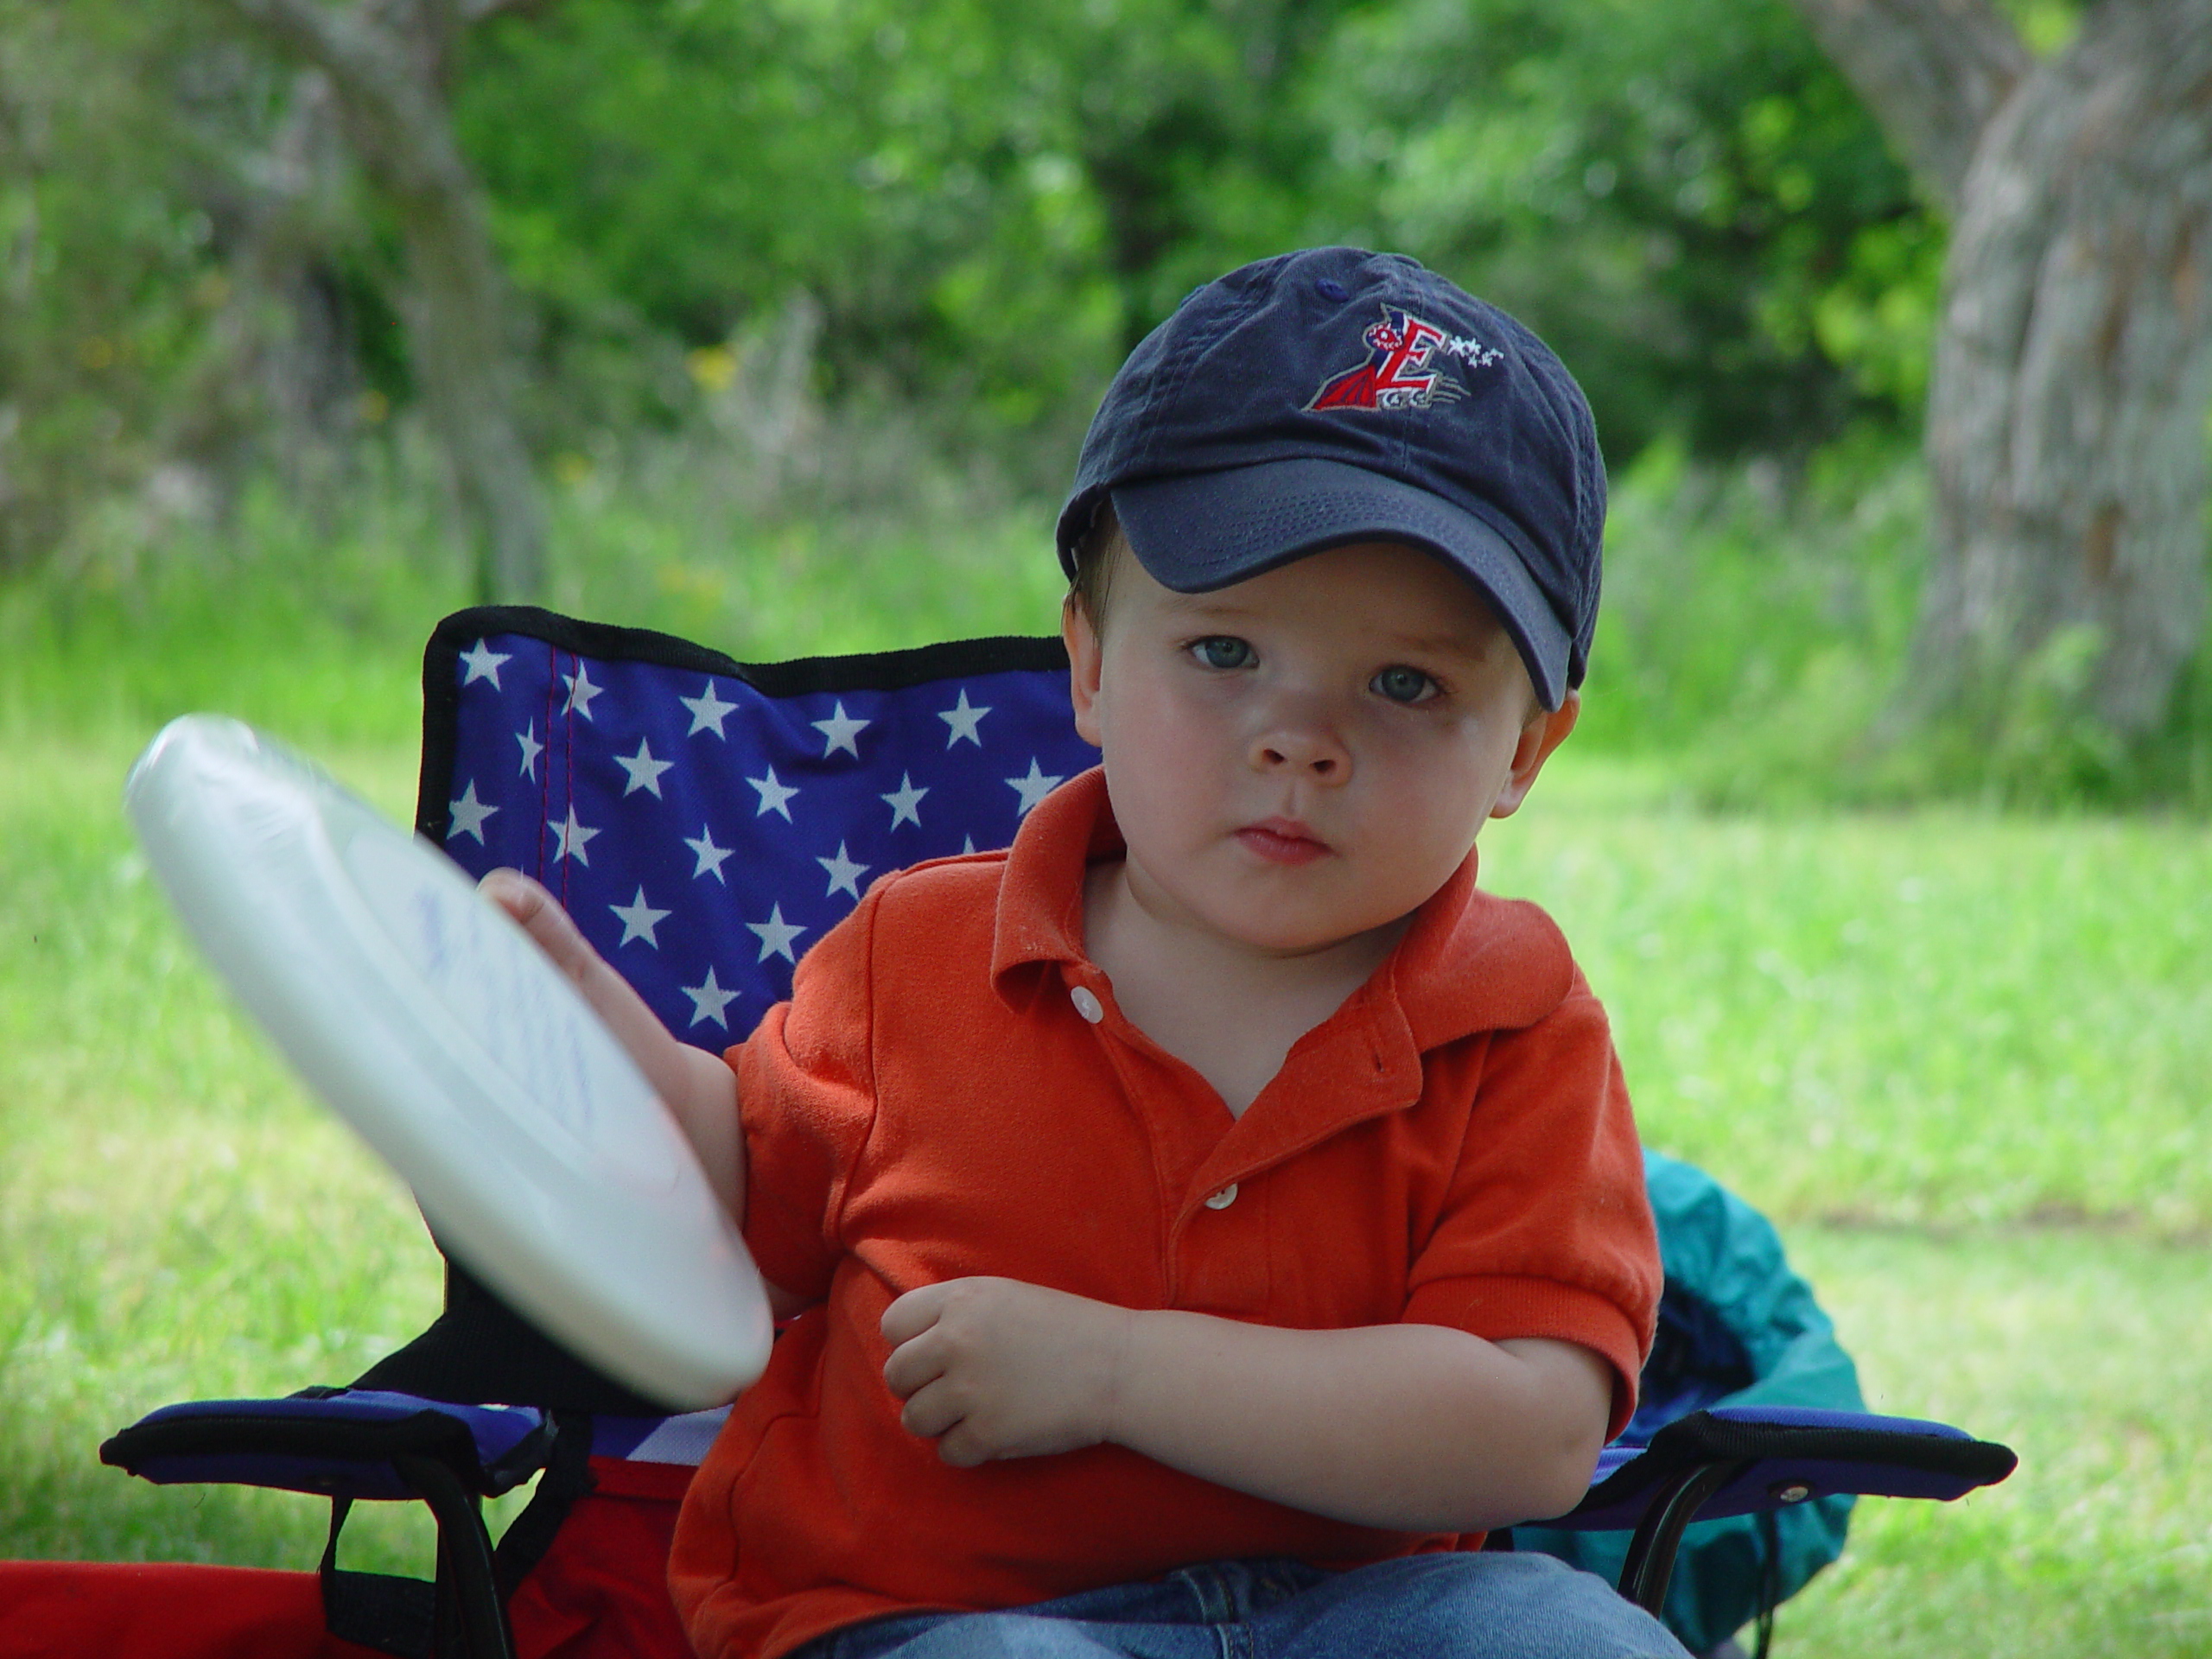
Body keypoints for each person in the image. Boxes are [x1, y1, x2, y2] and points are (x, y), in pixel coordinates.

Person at [486, 246, 1684, 1659]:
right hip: (940, 1615)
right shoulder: (916, 956)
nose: (1300, 737)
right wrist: (588, 1023)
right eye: (1225, 653)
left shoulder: (1518, 1028)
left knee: (1561, 1638)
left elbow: (1528, 1430)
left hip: (1357, 1618)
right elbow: (743, 1205)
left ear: (1528, 749)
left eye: (1407, 683)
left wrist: (1115, 1373)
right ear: (1093, 666)